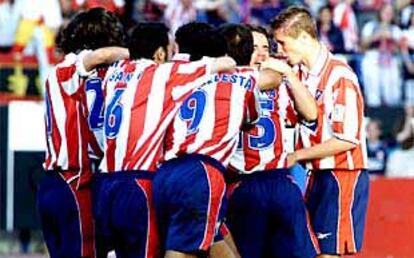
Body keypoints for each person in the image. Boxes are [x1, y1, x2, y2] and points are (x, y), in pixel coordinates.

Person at [92, 22, 236, 258]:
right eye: (170, 50)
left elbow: (112, 55)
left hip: (105, 184)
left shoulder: (114, 72)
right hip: (139, 182)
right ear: (159, 53)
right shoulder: (163, 74)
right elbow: (225, 64)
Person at [154, 22, 283, 258]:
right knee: (183, 250)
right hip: (202, 172)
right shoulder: (244, 78)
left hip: (165, 171)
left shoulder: (181, 75)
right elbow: (255, 110)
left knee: (216, 241)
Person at [271, 6, 369, 258]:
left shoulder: (339, 75)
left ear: (303, 37)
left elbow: (347, 140)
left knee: (328, 253)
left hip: (340, 174)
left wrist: (296, 156)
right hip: (315, 173)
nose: (280, 51)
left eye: (283, 43)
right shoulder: (299, 75)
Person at [37, 7, 128, 258]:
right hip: (73, 180)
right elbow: (101, 55)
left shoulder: (78, 76)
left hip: (54, 182)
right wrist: (138, 53)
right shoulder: (68, 69)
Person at [226, 24, 320, 258]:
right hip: (246, 182)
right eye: (254, 47)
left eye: (265, 47)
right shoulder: (235, 81)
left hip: (276, 179)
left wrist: (288, 74)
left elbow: (311, 113)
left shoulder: (232, 83)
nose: (261, 53)